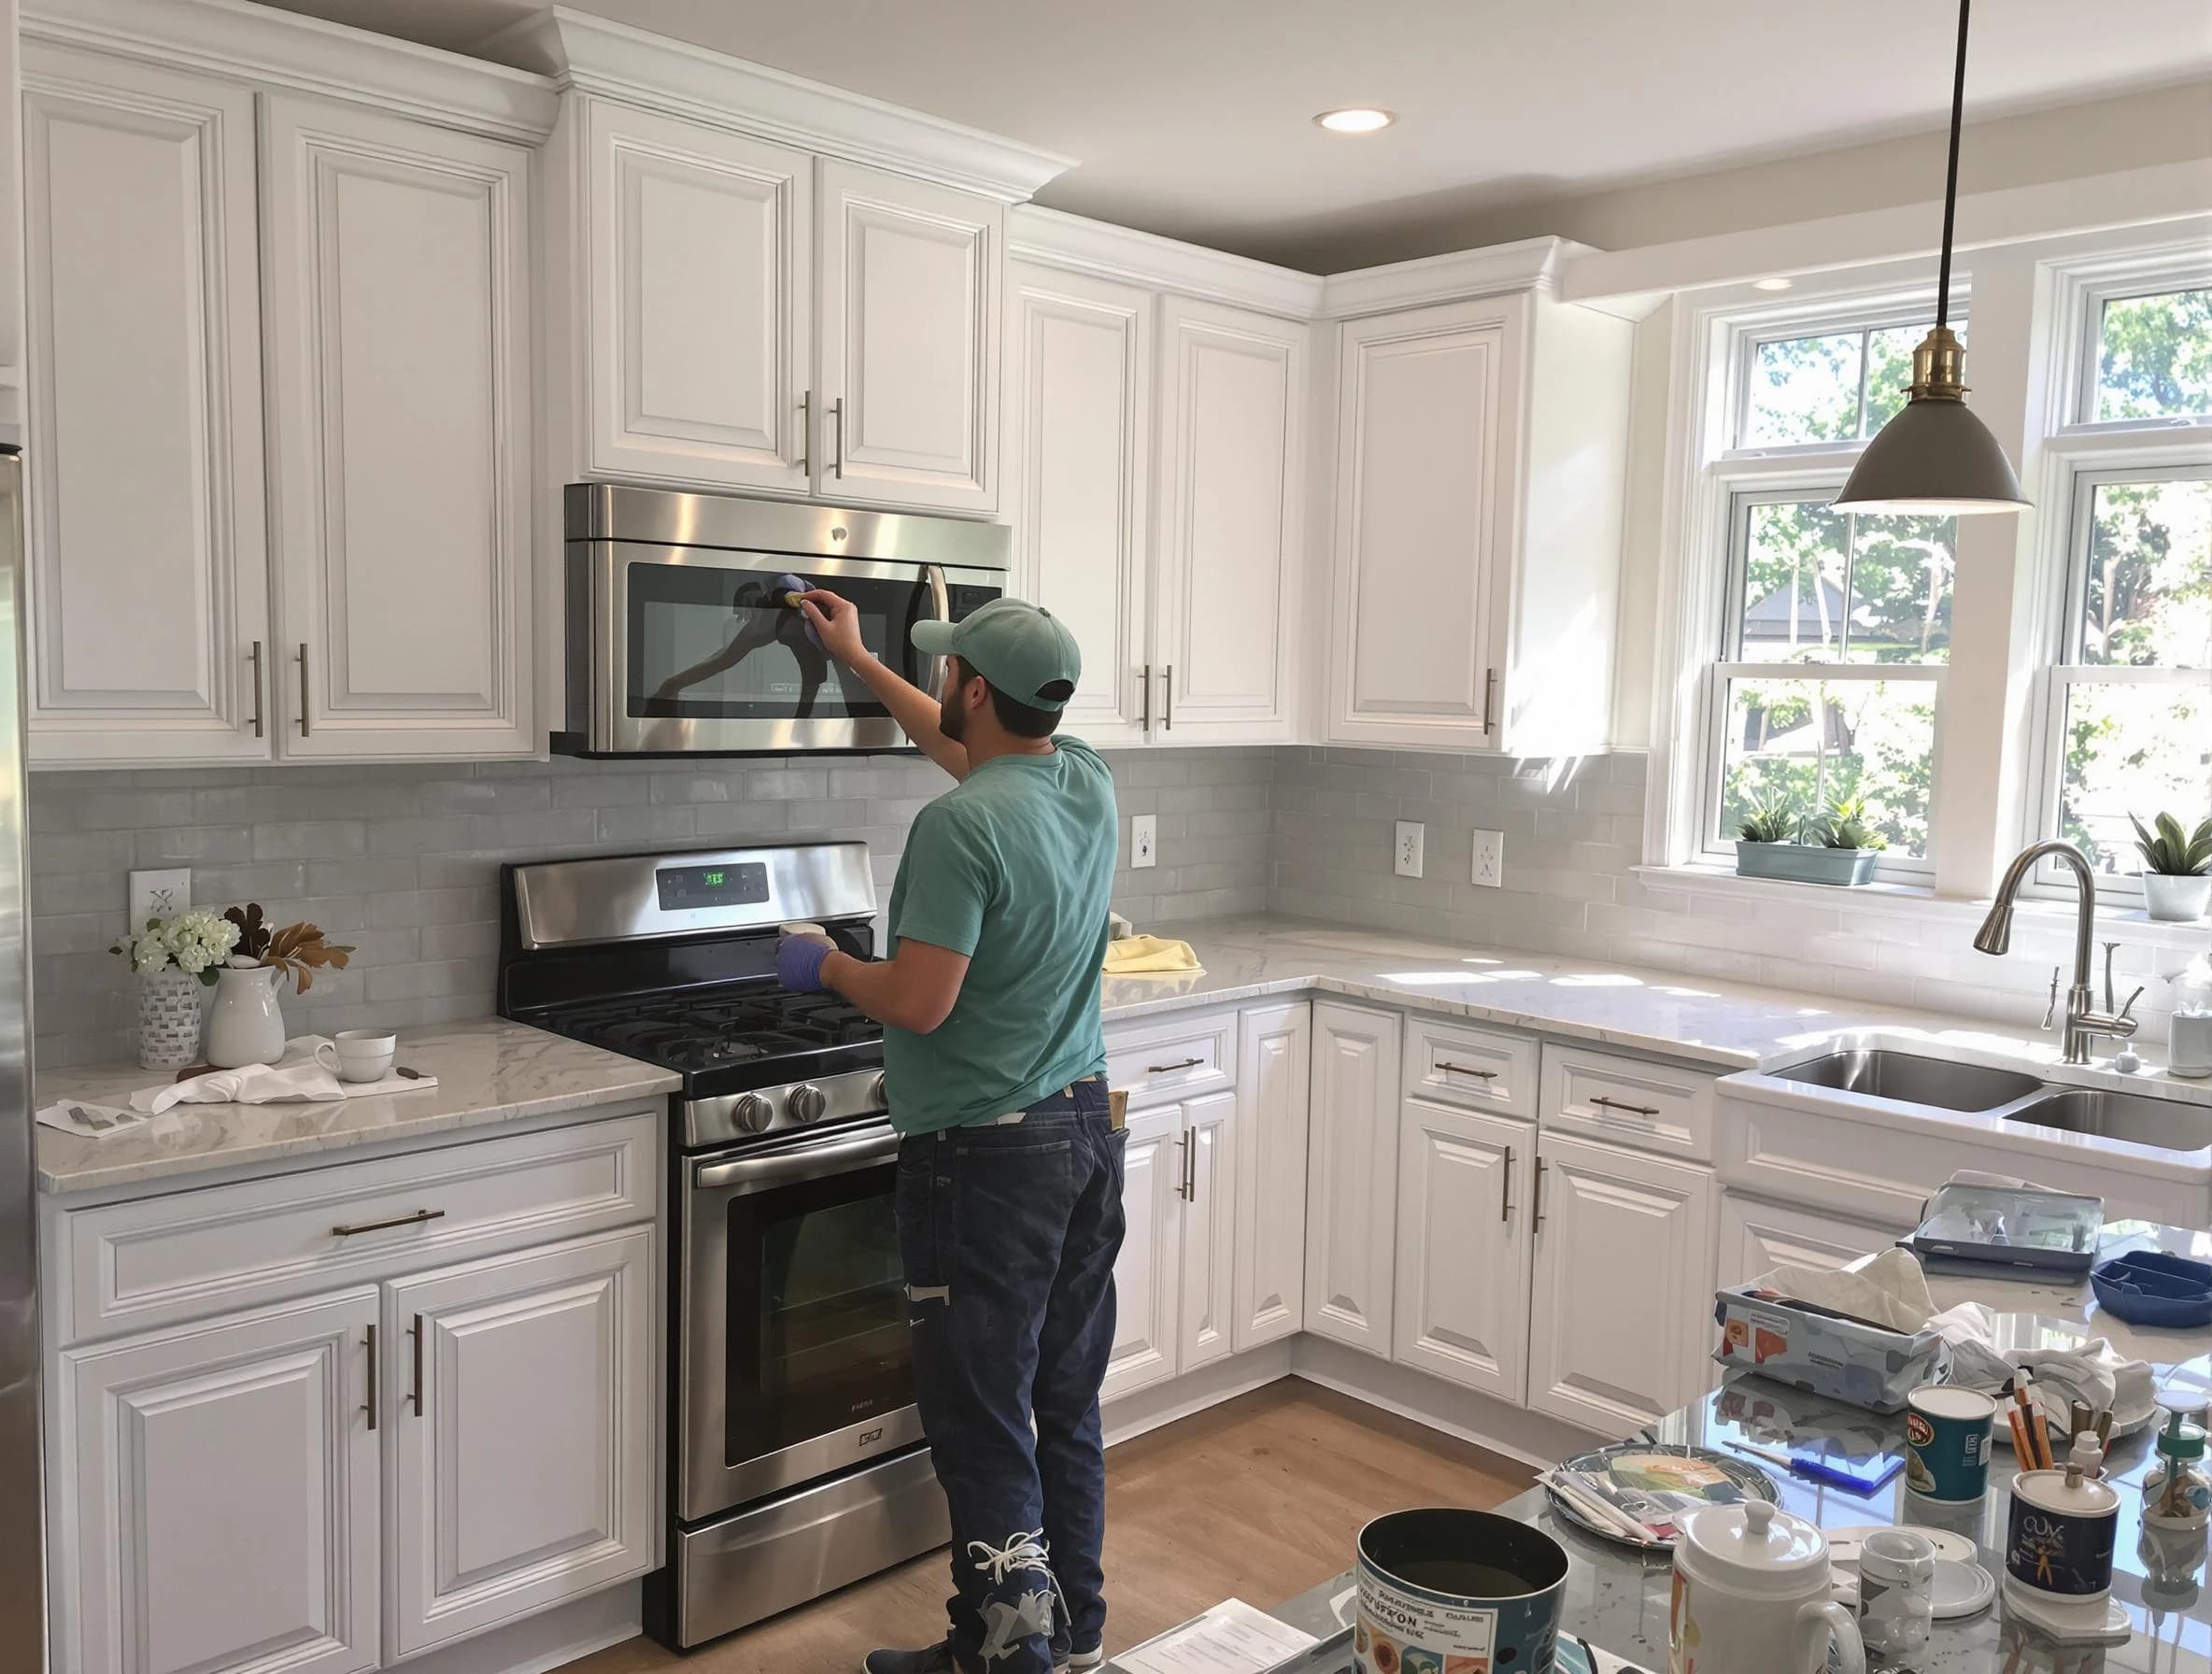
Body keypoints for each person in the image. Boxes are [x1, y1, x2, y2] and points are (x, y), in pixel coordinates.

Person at [773, 589, 1122, 1674]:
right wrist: (862, 662)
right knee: (1058, 1399)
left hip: (983, 1158)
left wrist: (820, 963)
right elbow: (965, 747)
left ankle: (1011, 1661)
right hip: (1077, 1135)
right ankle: (1054, 1636)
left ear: (973, 687)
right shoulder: (1083, 782)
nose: (942, 690)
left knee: (980, 1420)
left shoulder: (958, 826)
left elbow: (920, 1000)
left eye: (947, 672)